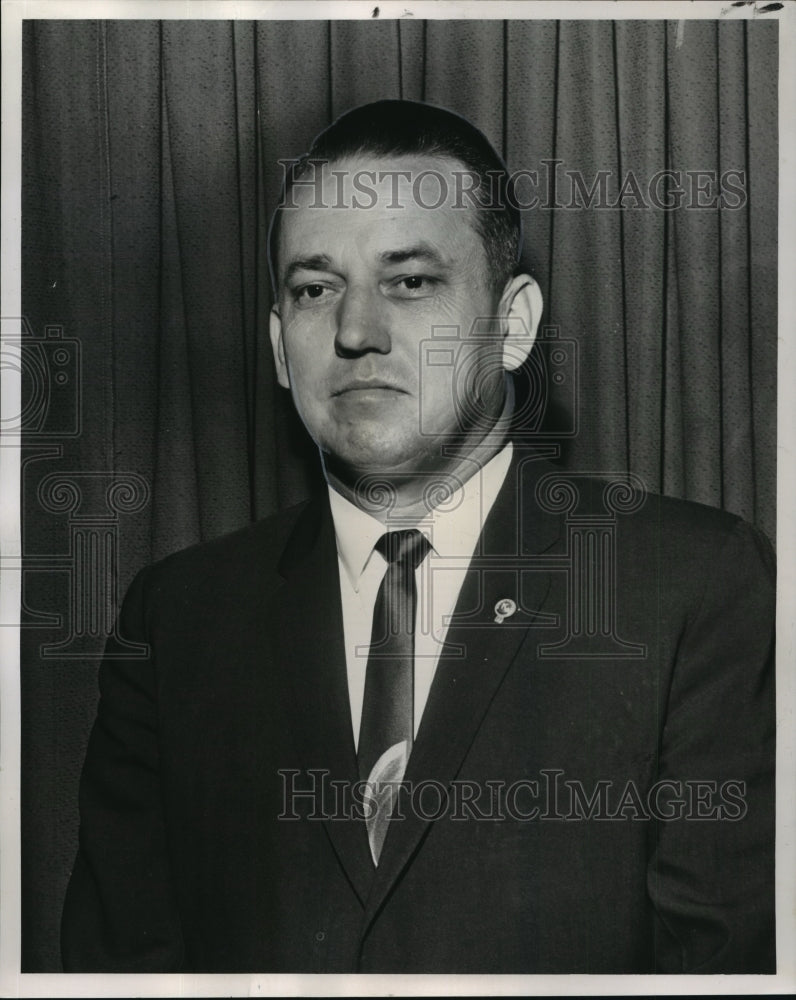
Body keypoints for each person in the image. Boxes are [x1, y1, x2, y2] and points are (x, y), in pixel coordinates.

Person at [60, 100, 775, 974]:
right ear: (282, 349)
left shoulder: (687, 584)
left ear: (513, 324)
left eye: (410, 281)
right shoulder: (176, 620)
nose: (356, 332)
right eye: (316, 290)